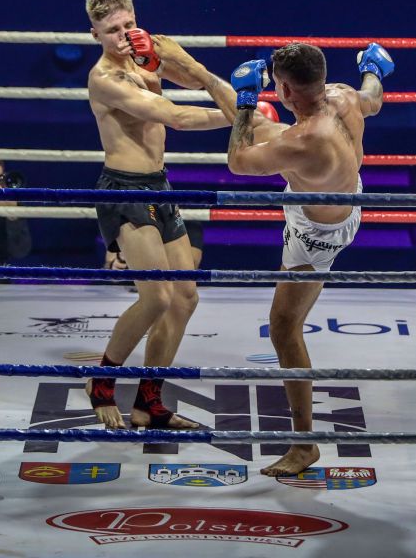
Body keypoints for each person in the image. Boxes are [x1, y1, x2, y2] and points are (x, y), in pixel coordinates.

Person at [156, 36, 391, 477]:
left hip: (316, 234)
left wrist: (247, 99)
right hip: (342, 195)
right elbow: (373, 99)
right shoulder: (343, 96)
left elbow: (238, 161)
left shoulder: (305, 139)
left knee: (284, 328)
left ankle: (304, 445)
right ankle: (203, 76)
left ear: (283, 89)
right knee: (264, 128)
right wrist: (373, 70)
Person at [83, 0, 233, 431]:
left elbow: (196, 79)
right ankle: (101, 382)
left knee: (184, 297)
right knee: (157, 297)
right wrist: (241, 114)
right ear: (95, 35)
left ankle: (149, 403)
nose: (123, 35)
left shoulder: (145, 55)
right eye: (113, 30)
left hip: (159, 184)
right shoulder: (104, 79)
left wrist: (171, 58)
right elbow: (177, 117)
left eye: (129, 24)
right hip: (124, 190)